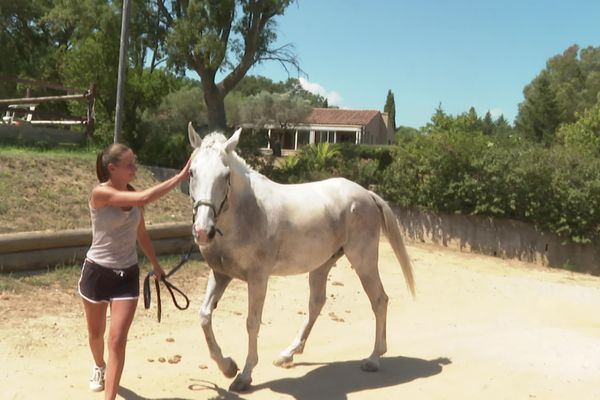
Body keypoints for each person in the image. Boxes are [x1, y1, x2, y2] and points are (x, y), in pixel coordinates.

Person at [78, 143, 190, 399]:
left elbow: (141, 233)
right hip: (97, 273)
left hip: (126, 275)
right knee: (96, 335)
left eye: (134, 162)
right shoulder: (100, 194)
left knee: (116, 340)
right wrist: (180, 177)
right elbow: (142, 198)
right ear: (112, 168)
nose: (134, 168)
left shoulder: (135, 196)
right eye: (129, 164)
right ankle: (99, 365)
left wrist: (157, 266)